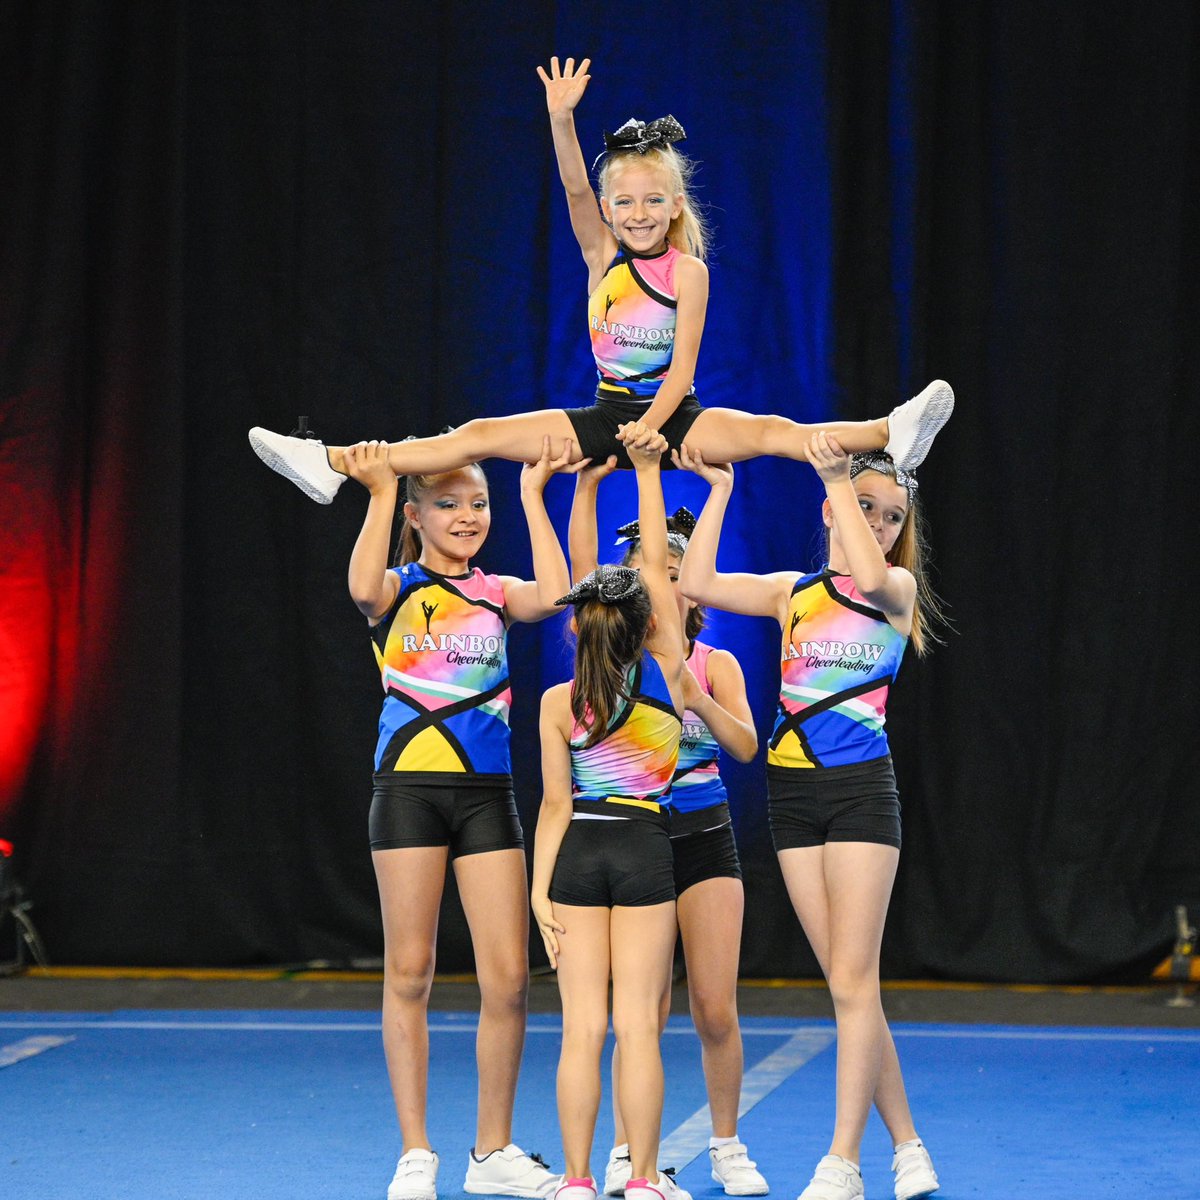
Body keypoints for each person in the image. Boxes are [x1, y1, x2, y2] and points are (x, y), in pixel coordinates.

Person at [246, 57, 953, 504]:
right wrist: (561, 119)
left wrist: (649, 435)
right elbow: (573, 189)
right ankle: (333, 462)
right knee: (481, 432)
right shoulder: (601, 256)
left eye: (653, 201)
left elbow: (681, 374)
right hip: (607, 415)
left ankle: (889, 432)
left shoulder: (690, 271)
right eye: (625, 203)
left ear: (675, 204)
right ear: (611, 211)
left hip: (673, 418)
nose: (638, 214)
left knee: (771, 430)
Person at [675, 434, 942, 1200]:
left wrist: (840, 478)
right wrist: (721, 492)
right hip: (792, 797)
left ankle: (843, 1163)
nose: (881, 526)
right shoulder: (793, 591)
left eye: (892, 516)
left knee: (856, 983)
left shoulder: (894, 589)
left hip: (861, 791)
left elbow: (865, 566)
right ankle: (909, 1147)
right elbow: (696, 582)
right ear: (828, 511)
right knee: (848, 985)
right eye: (866, 509)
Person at [345, 436, 577, 1200]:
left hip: (485, 795)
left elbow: (557, 589)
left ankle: (493, 1150)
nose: (468, 516)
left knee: (508, 978)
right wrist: (380, 489)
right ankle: (416, 1151)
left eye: (478, 503)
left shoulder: (497, 592)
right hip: (409, 790)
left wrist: (535, 495)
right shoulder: (394, 588)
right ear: (416, 516)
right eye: (448, 504)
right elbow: (357, 588)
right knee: (410, 970)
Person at [565, 461, 767, 1198]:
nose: (660, 588)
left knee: (714, 1005)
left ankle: (726, 1142)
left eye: (673, 575)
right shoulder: (608, 670)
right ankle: (626, 1152)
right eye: (646, 576)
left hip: (703, 833)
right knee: (638, 1010)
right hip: (629, 841)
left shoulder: (715, 665)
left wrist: (695, 699)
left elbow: (747, 747)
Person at [530, 425, 690, 1200]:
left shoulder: (559, 702)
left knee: (581, 1030)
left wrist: (537, 891)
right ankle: (646, 1179)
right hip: (644, 844)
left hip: (577, 854)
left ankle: (575, 1179)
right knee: (639, 1025)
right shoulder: (670, 672)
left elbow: (556, 805)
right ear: (652, 623)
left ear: (576, 626)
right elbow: (652, 564)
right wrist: (650, 473)